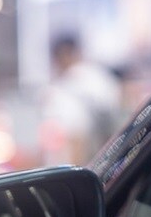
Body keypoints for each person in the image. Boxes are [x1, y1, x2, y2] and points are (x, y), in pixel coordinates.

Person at [41, 35, 123, 165]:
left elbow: (77, 136)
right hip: (108, 159)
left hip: (87, 160)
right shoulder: (100, 77)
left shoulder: (70, 84)